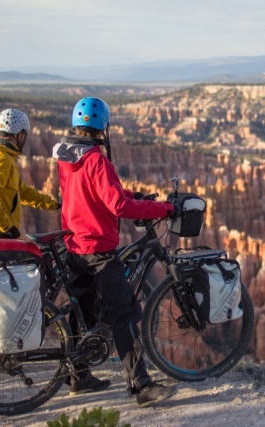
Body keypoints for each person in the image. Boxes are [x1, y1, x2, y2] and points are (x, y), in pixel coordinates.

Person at [53, 97, 177, 407]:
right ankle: (142, 386)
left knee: (84, 312)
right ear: (102, 128)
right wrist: (161, 208)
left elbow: (97, 193)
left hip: (75, 245)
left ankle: (78, 376)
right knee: (125, 312)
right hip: (98, 249)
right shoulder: (96, 159)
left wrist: (134, 195)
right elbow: (118, 206)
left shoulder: (69, 156)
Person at [0, 108, 60, 240]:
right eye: (24, 135)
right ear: (19, 135)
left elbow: (21, 191)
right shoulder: (1, 159)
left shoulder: (0, 157)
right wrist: (7, 227)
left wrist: (51, 204)